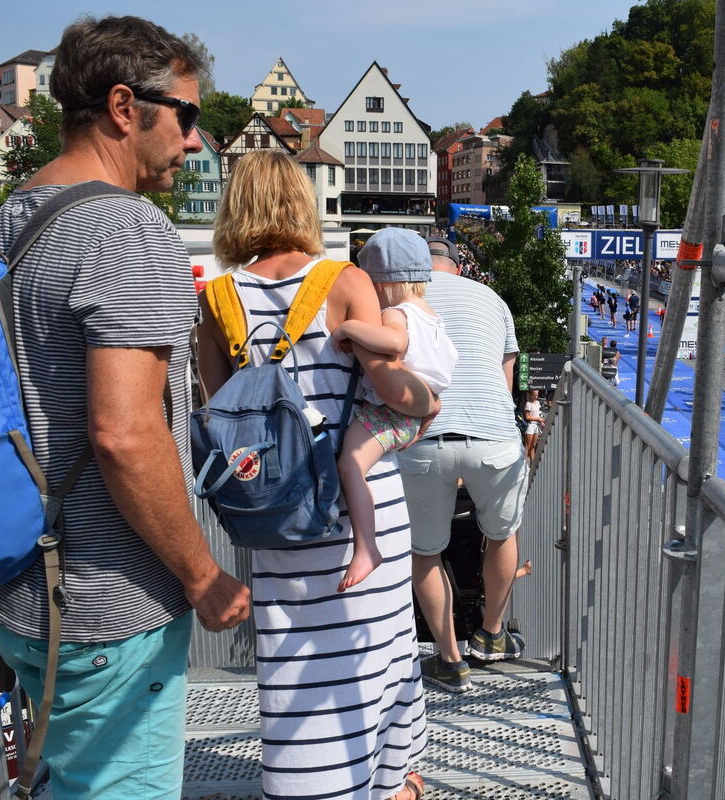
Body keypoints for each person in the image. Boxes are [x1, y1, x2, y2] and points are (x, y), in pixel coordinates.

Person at [0, 18, 252, 800]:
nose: (194, 140)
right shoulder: (126, 229)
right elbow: (126, 435)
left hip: (19, 589)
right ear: (124, 107)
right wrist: (203, 577)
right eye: (186, 114)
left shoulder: (10, 218)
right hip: (109, 606)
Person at [198, 151, 434, 800]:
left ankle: (310, 782)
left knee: (296, 658)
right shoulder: (344, 281)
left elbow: (220, 414)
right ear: (301, 204)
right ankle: (388, 782)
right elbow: (395, 391)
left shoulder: (217, 299)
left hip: (277, 515)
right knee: (377, 653)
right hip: (361, 510)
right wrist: (431, 398)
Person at [400, 236, 529, 694]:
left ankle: (450, 661)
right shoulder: (492, 299)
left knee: (426, 550)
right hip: (494, 436)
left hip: (424, 436)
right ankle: (491, 634)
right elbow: (506, 382)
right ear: (457, 267)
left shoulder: (401, 297)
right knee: (501, 534)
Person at [333, 228, 459, 593]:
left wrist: (348, 328)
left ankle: (366, 547)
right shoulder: (432, 316)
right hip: (417, 414)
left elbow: (394, 342)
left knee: (349, 466)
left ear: (382, 283)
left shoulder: (396, 313)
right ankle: (367, 547)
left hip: (390, 414)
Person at [523, 389, 545, 462]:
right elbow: (527, 417)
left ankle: (532, 464)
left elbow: (539, 414)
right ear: (530, 395)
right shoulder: (528, 404)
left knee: (533, 446)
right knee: (527, 446)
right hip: (530, 425)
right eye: (534, 395)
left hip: (536, 426)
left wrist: (541, 421)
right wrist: (538, 419)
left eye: (537, 395)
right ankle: (523, 463)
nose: (536, 396)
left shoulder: (538, 402)